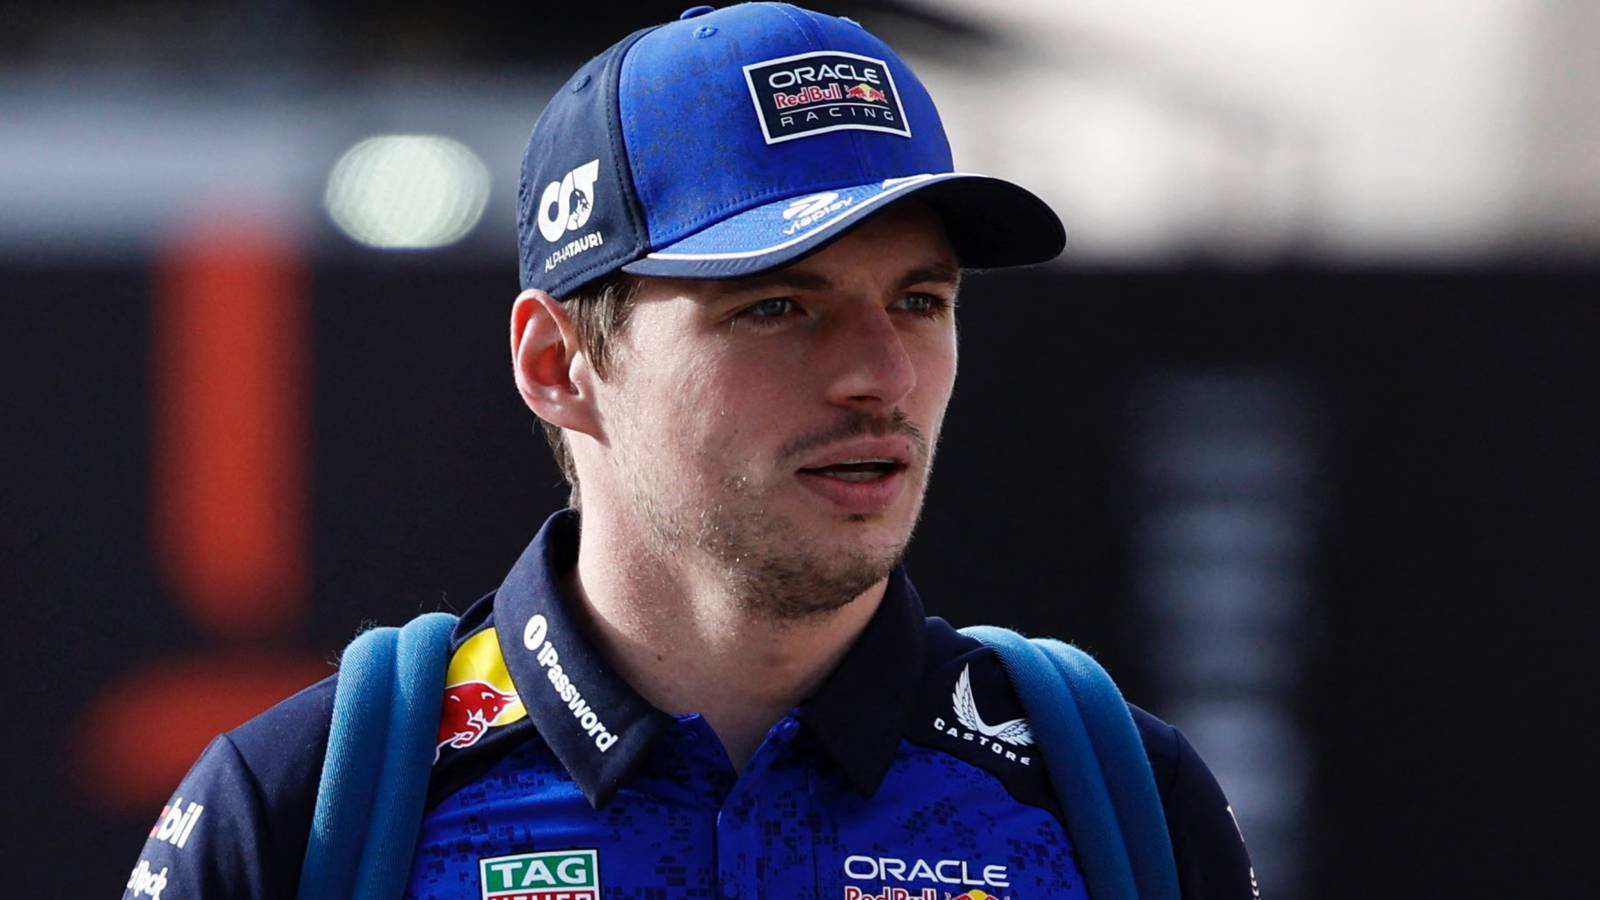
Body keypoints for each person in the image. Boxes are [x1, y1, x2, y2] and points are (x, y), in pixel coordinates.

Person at [123, 4, 1256, 898]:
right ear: (559, 363)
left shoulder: (1111, 800)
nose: (879, 374)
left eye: (919, 301)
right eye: (776, 307)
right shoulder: (311, 803)